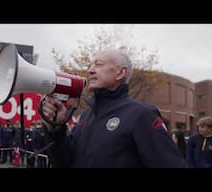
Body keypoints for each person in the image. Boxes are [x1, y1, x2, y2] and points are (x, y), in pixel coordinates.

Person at [40, 48, 188, 168]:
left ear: (120, 73)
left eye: (98, 64)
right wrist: (56, 129)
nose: (90, 70)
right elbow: (64, 162)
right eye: (90, 65)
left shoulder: (141, 114)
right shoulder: (86, 115)